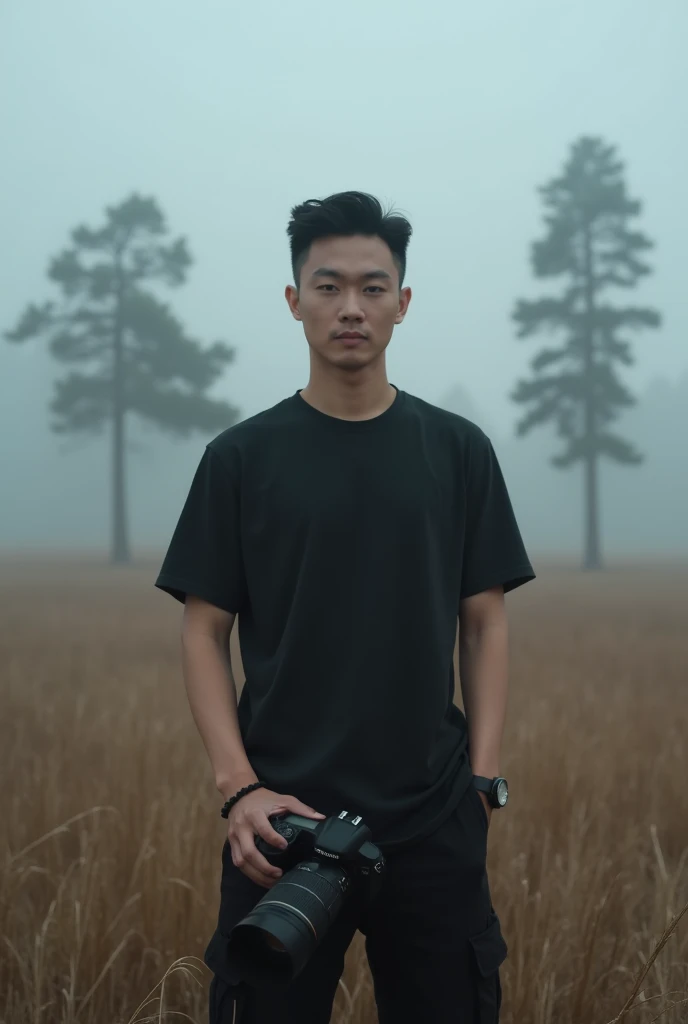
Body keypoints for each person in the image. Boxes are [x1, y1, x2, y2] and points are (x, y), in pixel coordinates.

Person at [155, 190, 535, 1023]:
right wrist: (239, 789)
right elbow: (202, 628)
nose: (351, 307)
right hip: (281, 828)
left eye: (373, 286)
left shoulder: (458, 451)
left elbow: (486, 620)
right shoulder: (240, 459)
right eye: (327, 287)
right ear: (294, 303)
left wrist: (480, 781)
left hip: (434, 816)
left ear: (403, 301)